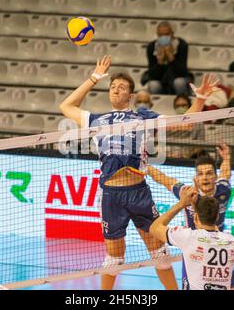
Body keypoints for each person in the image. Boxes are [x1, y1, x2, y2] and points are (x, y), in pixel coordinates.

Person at [59, 55, 220, 290]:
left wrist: (201, 99)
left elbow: (185, 123)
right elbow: (66, 106)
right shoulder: (96, 119)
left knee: (161, 255)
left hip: (138, 193)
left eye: (121, 87)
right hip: (110, 196)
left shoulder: (144, 116)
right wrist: (93, 78)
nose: (115, 90)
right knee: (114, 259)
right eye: (113, 87)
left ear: (130, 96)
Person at [146, 144, 234, 290]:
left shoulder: (223, 191)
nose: (204, 178)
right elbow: (165, 179)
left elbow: (225, 173)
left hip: (218, 250)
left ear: (215, 177)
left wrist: (227, 158)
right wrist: (145, 166)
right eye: (201, 174)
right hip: (194, 249)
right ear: (195, 178)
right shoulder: (187, 194)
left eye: (209, 173)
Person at [150, 187, 234, 290]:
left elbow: (154, 228)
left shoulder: (188, 237)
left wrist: (181, 204)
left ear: (195, 218)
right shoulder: (231, 240)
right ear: (217, 216)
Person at [146, 21, 191, 95]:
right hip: (160, 80)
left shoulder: (182, 45)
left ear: (172, 34)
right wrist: (160, 62)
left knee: (179, 82)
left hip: (177, 78)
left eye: (166, 34)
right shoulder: (151, 47)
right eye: (160, 35)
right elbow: (152, 75)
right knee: (153, 84)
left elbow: (183, 72)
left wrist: (171, 57)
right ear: (157, 35)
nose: (163, 37)